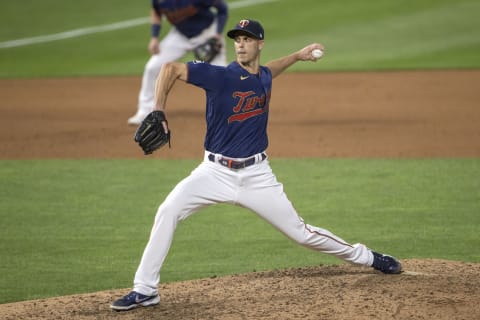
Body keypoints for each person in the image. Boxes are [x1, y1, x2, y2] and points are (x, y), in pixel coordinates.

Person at [111, 19, 402, 311]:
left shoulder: (262, 76)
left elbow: (270, 70)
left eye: (247, 39)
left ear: (259, 44)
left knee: (301, 233)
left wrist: (297, 56)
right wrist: (158, 109)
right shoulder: (219, 76)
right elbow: (169, 69)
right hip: (213, 172)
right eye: (237, 39)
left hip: (257, 176)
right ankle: (145, 289)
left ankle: (368, 258)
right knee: (168, 210)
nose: (240, 44)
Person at [127, 0, 229, 125]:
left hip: (207, 33)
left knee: (221, 73)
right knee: (152, 67)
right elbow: (156, 12)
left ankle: (229, 111)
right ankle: (145, 111)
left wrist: (217, 34)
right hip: (180, 35)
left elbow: (222, 8)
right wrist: (154, 38)